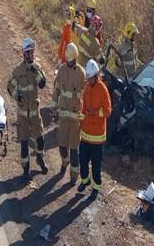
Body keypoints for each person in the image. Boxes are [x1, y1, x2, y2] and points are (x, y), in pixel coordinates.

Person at [7, 37, 48, 178]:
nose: (32, 55)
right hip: (23, 114)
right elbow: (10, 86)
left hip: (35, 113)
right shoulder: (18, 70)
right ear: (24, 53)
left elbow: (42, 84)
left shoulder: (37, 68)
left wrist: (35, 70)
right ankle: (26, 169)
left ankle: (40, 158)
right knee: (24, 143)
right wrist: (17, 96)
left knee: (40, 140)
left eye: (33, 52)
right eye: (29, 53)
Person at [53, 42, 86, 183]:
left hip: (75, 118)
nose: (69, 62)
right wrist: (54, 107)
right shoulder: (61, 71)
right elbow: (56, 91)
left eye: (71, 60)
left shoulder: (81, 73)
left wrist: (83, 113)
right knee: (62, 146)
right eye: (67, 59)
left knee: (74, 149)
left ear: (76, 58)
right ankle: (64, 162)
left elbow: (85, 95)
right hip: (63, 115)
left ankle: (74, 175)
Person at [78, 59, 112, 197]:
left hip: (97, 137)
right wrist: (80, 117)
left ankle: (96, 187)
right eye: (88, 78)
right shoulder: (87, 88)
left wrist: (96, 113)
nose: (89, 80)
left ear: (96, 76)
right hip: (85, 134)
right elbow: (83, 108)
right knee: (83, 161)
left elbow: (108, 111)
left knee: (96, 166)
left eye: (91, 78)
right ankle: (85, 180)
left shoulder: (102, 89)